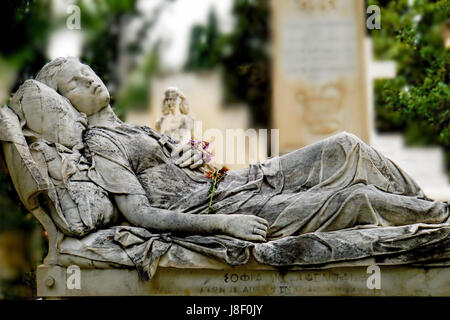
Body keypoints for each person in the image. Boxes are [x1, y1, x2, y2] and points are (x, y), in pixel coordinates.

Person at [34, 57, 450, 242]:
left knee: (346, 146)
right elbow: (140, 214)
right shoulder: (100, 142)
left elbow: (176, 166)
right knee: (355, 198)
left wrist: (193, 157)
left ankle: (422, 206)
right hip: (214, 207)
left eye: (86, 72)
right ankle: (439, 219)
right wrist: (225, 224)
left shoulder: (136, 128)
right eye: (74, 83)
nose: (89, 81)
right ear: (66, 103)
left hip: (236, 180)